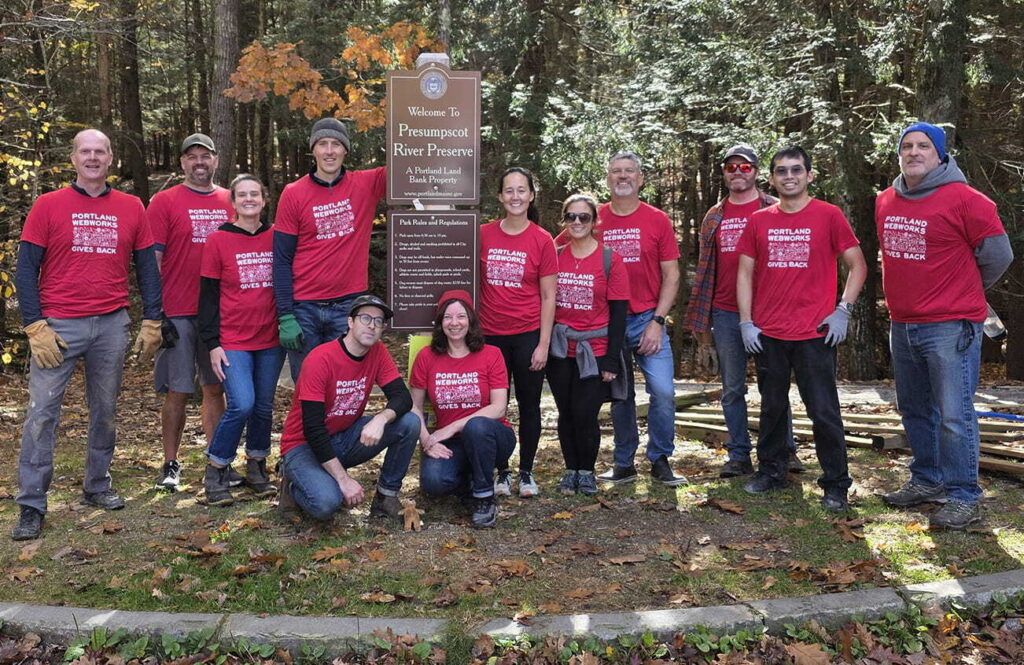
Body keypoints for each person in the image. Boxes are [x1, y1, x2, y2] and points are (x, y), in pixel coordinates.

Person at [12, 129, 163, 540]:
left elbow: (147, 268)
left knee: (105, 409)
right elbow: (25, 268)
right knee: (42, 413)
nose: (93, 158)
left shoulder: (132, 206)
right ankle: (31, 503)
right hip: (58, 326)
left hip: (111, 324)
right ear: (74, 158)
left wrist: (152, 319)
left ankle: (97, 485)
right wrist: (34, 324)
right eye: (85, 151)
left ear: (111, 158)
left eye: (100, 151)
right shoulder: (48, 205)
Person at [877, 122, 1012, 530]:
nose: (914, 152)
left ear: (940, 155)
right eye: (907, 146)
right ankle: (927, 480)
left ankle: (963, 495)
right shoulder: (885, 200)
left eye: (923, 146)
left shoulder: (968, 200)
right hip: (903, 323)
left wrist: (964, 289)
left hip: (951, 325)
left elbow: (999, 256)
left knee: (954, 414)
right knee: (915, 408)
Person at [735, 145, 867, 511]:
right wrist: (746, 322)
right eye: (781, 171)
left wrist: (843, 310)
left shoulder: (829, 215)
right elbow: (744, 273)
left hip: (815, 333)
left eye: (796, 170)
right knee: (772, 408)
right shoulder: (758, 220)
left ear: (809, 175)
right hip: (769, 333)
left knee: (823, 411)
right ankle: (771, 471)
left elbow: (858, 264)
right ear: (772, 178)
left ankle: (836, 484)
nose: (789, 176)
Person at [684, 145, 801, 478]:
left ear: (757, 172)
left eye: (745, 167)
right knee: (732, 388)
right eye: (731, 167)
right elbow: (706, 271)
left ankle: (784, 450)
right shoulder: (714, 216)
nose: (737, 172)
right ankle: (738, 455)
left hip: (767, 312)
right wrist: (703, 326)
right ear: (724, 173)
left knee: (774, 386)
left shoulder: (774, 207)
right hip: (725, 313)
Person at [580, 151, 684, 486]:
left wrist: (658, 321)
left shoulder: (657, 219)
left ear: (640, 179)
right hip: (608, 322)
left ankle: (661, 458)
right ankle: (624, 462)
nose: (622, 176)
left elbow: (672, 275)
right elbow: (558, 252)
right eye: (616, 171)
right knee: (620, 395)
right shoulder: (593, 218)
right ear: (608, 178)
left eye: (629, 171)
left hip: (647, 318)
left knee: (663, 392)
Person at [277, 294, 418, 522]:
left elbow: (402, 398)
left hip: (343, 437)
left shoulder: (377, 352)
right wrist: (343, 480)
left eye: (379, 321)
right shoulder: (320, 359)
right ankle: (292, 486)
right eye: (365, 318)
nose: (372, 325)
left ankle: (386, 497)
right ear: (350, 322)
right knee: (326, 503)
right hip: (302, 445)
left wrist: (381, 419)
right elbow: (313, 429)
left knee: (409, 422)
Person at [273, 117, 386, 381]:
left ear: (346, 149)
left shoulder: (366, 183)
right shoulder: (293, 193)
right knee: (308, 386)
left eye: (336, 144)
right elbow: (281, 259)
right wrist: (285, 316)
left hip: (348, 309)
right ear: (313, 149)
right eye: (322, 144)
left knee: (343, 385)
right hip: (305, 309)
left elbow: (410, 163)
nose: (329, 151)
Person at [148, 133, 230, 491]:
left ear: (215, 160)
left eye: (205, 156)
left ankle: (216, 461)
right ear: (182, 162)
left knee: (214, 388)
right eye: (192, 156)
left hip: (220, 315)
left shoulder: (230, 199)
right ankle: (170, 463)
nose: (199, 162)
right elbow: (153, 260)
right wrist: (155, 313)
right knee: (178, 390)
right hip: (178, 311)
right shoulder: (164, 201)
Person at [197, 175, 284, 506]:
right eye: (242, 195)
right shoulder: (218, 240)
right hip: (232, 339)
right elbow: (208, 296)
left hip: (270, 339)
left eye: (255, 194)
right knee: (242, 403)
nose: (249, 199)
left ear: (264, 200)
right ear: (233, 202)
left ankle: (257, 467)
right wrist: (212, 343)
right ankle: (217, 468)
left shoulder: (277, 237)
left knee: (263, 406)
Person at [477, 167, 557, 498]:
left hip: (527, 335)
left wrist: (543, 344)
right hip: (489, 336)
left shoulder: (542, 239)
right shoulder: (482, 233)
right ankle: (502, 472)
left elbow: (549, 296)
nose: (515, 196)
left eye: (521, 190)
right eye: (509, 190)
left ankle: (526, 472)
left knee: (528, 406)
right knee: (493, 407)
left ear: (531, 195)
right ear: (499, 196)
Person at [413, 290, 516, 528]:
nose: (454, 323)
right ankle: (470, 479)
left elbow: (499, 407)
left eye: (461, 316)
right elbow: (414, 407)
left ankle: (484, 497)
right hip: (452, 444)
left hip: (491, 437)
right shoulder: (426, 356)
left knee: (476, 426)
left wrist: (451, 427)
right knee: (434, 482)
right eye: (448, 317)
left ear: (470, 320)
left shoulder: (491, 354)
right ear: (440, 322)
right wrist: (427, 439)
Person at [548, 194, 629, 496]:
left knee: (585, 413)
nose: (577, 222)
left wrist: (611, 359)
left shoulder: (610, 259)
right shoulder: (555, 256)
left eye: (584, 217)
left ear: (594, 221)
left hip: (595, 350)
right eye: (571, 216)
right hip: (560, 348)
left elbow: (619, 313)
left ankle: (587, 472)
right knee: (566, 412)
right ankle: (570, 470)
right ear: (564, 221)